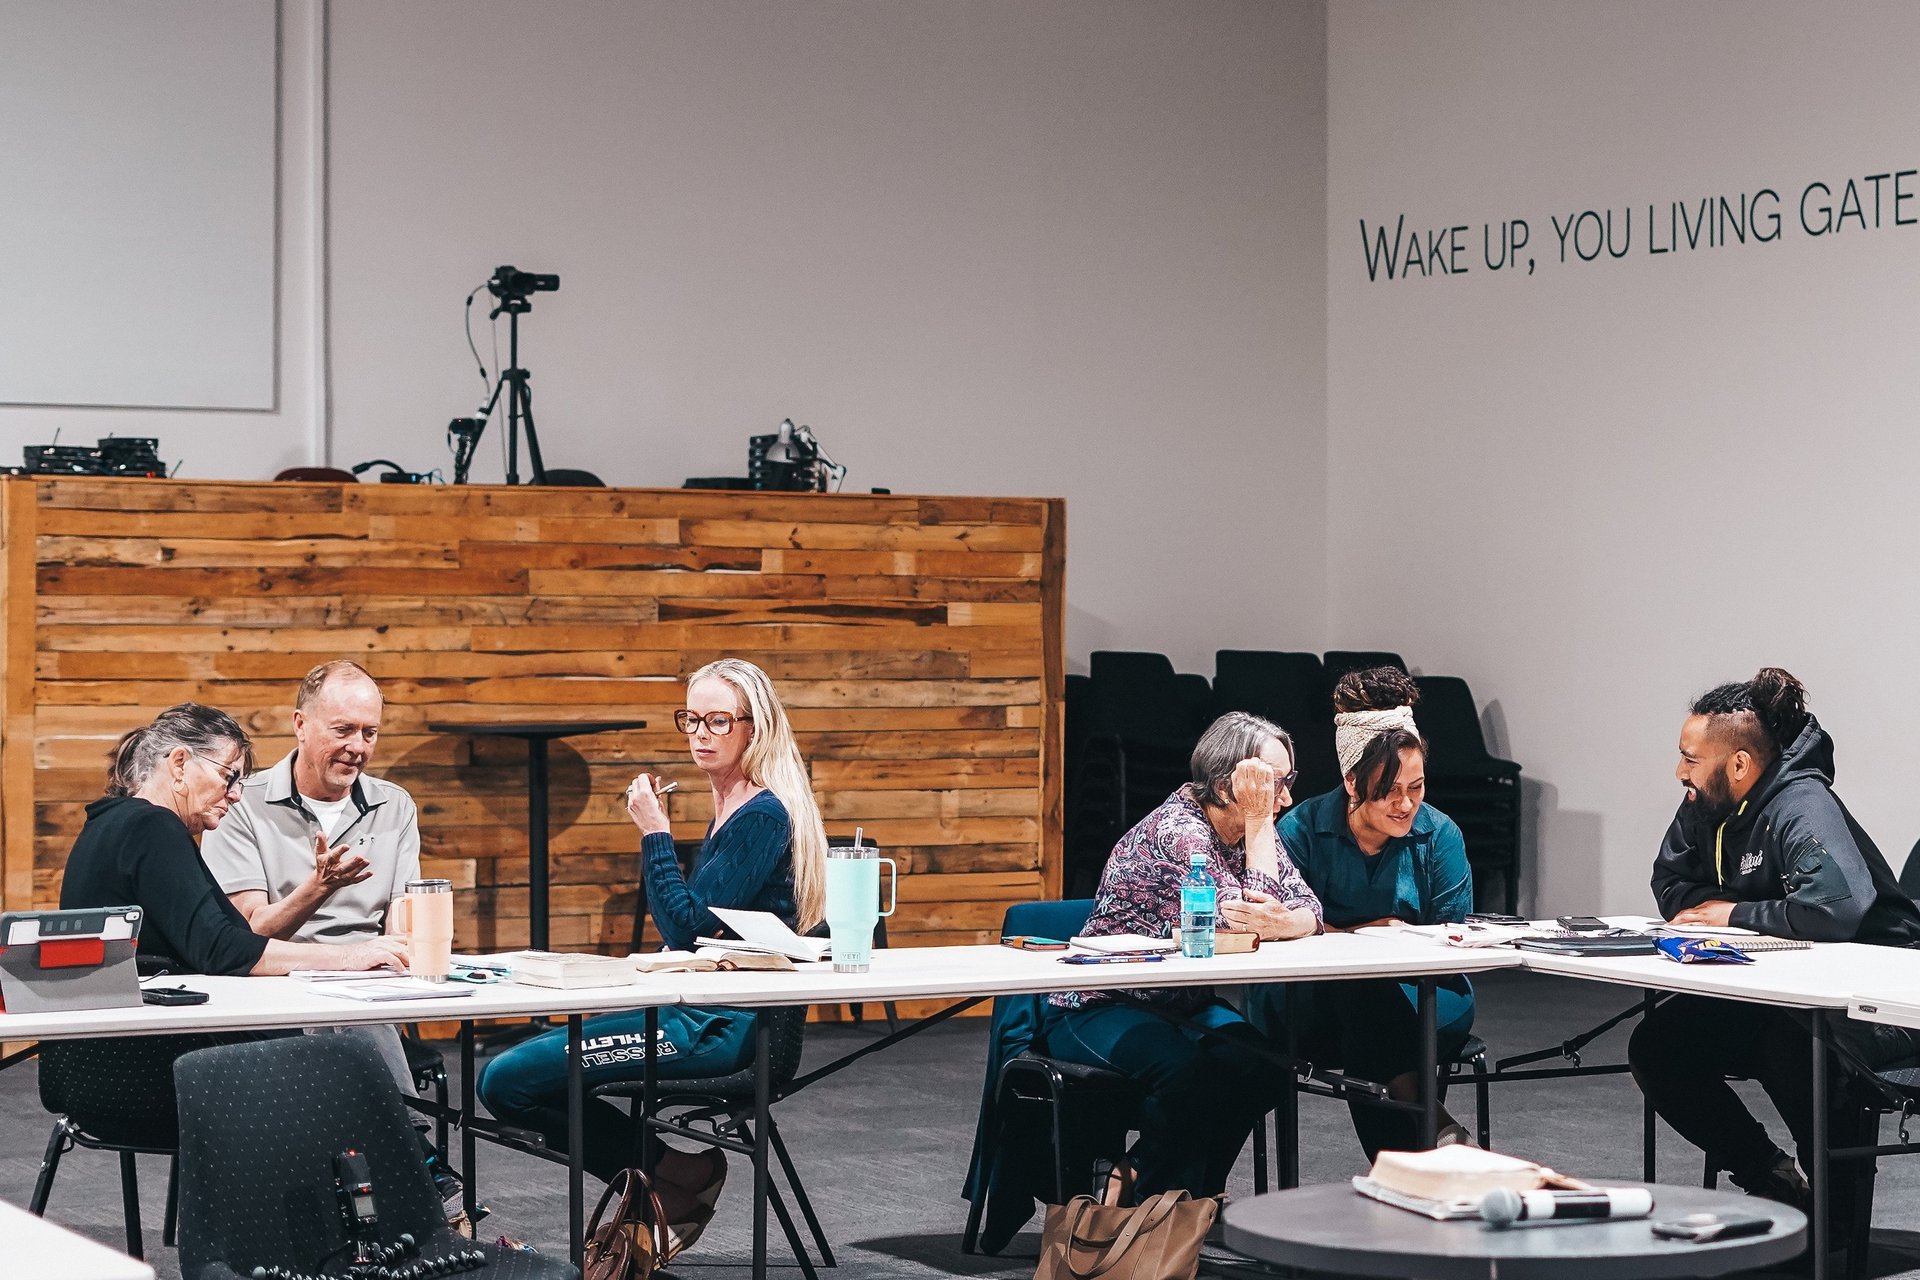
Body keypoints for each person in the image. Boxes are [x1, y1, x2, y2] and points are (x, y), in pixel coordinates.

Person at [478, 658, 828, 1214]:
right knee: (508, 1078)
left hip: (719, 1027)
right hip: (693, 1008)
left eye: (718, 721)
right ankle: (673, 1173)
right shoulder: (735, 805)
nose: (700, 735)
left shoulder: (761, 814)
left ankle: (668, 1183)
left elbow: (685, 929)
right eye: (691, 720)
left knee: (508, 1080)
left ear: (754, 727)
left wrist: (655, 834)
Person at [44, 703, 407, 1148]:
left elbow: (235, 939)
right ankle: (422, 1184)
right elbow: (223, 950)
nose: (236, 794)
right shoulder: (151, 825)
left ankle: (412, 1182)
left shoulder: (113, 823)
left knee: (339, 1053)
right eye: (228, 776)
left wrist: (317, 894)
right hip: (148, 1077)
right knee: (348, 1058)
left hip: (95, 1074)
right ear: (179, 764)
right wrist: (350, 957)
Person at [1630, 667, 1920, 1213]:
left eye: (1691, 759)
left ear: (1739, 763)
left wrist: (1732, 913)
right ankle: (1770, 1174)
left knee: (1793, 1039)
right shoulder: (1706, 804)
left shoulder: (1801, 802)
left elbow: (1836, 908)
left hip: (1878, 1002)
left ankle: (1837, 1216)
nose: (1679, 772)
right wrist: (1729, 916)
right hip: (1779, 990)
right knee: (1659, 1047)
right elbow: (1670, 880)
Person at [1041, 712, 1322, 1199]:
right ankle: (1141, 1194)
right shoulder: (1179, 833)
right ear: (1226, 785)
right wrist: (1259, 832)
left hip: (1178, 1001)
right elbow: (1236, 927)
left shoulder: (1254, 833)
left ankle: (1189, 1193)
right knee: (1189, 1076)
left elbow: (1311, 908)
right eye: (1272, 784)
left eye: (1287, 781)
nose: (1286, 799)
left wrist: (1286, 920)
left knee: (1269, 1067)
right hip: (1104, 1001)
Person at [1250, 666, 1477, 1157]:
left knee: (1372, 1018)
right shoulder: (1303, 829)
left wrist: (1355, 935)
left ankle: (1414, 1160)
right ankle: (1431, 1139)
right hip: (1313, 997)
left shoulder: (1441, 835)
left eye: (1416, 787)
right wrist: (1363, 935)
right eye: (1389, 790)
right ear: (1352, 782)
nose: (1405, 804)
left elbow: (1455, 940)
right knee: (1363, 998)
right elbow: (1279, 928)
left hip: (1424, 993)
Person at [200, 659, 422, 1090]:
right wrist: (319, 887)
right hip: (276, 984)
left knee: (357, 1024)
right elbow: (248, 934)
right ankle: (412, 1146)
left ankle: (397, 1147)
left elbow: (404, 924)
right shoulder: (241, 803)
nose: (358, 747)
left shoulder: (395, 806)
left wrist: (398, 962)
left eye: (370, 732)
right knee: (351, 1036)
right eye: (343, 731)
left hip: (369, 993)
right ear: (301, 725)